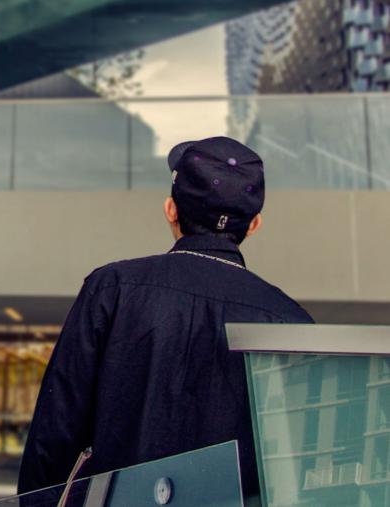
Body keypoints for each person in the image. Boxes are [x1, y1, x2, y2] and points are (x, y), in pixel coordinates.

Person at [17, 136, 313, 502]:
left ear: (170, 209)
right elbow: (294, 460)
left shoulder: (113, 288)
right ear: (254, 224)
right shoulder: (290, 320)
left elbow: (57, 428)